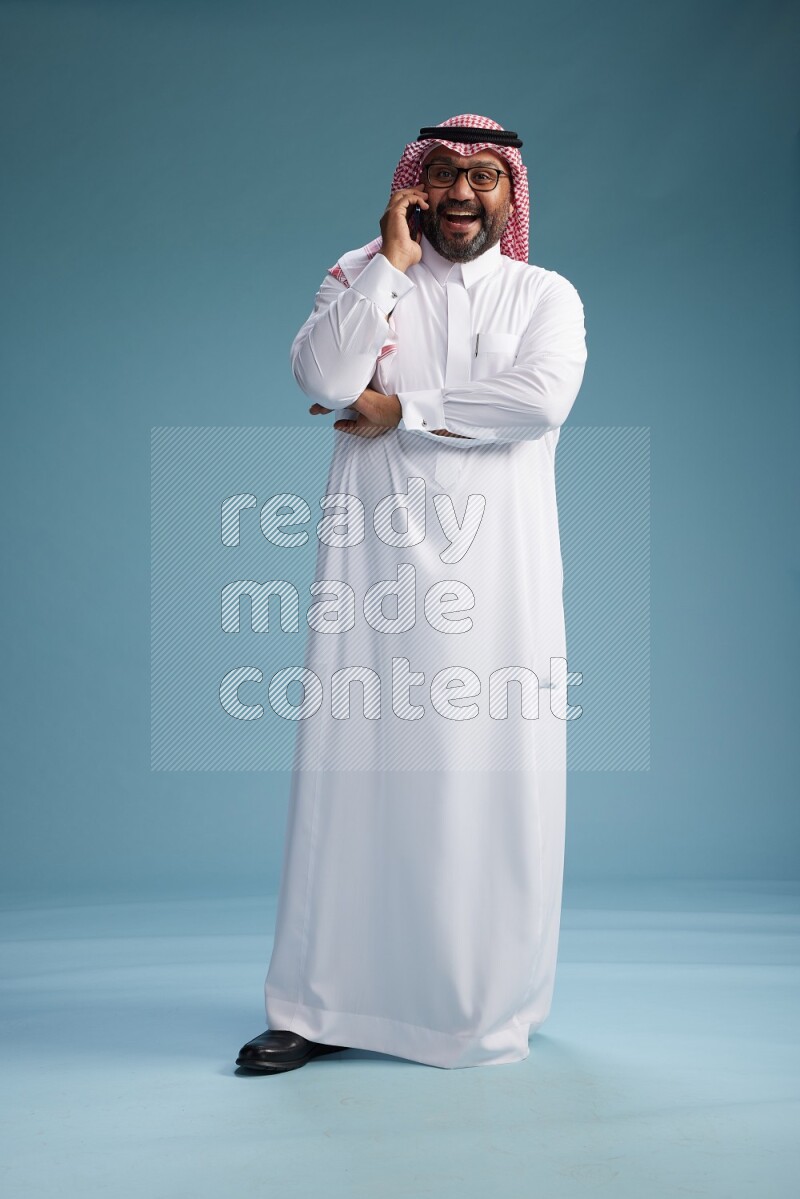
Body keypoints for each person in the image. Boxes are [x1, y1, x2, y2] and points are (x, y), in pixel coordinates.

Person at [236, 114, 588, 1075]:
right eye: (444, 174)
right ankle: (315, 1002)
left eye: (485, 177)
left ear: (511, 196)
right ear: (414, 187)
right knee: (353, 774)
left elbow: (540, 399)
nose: (464, 193)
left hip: (499, 578)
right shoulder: (359, 273)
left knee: (484, 779)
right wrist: (388, 266)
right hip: (376, 572)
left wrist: (407, 411)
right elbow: (323, 372)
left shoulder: (542, 293)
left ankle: (474, 1001)